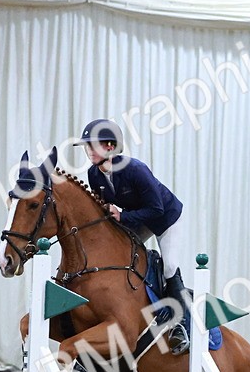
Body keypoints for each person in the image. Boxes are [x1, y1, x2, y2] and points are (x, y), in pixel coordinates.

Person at [78, 118, 192, 355]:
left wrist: (122, 216)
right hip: (137, 218)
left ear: (110, 147)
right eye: (87, 146)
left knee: (170, 265)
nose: (89, 151)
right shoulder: (94, 175)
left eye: (93, 145)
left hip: (166, 218)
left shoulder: (135, 170)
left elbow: (156, 209)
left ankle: (181, 325)